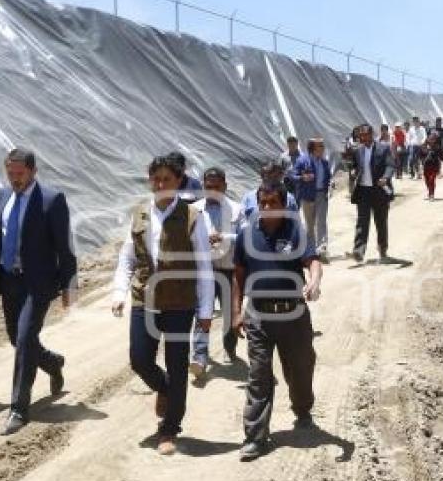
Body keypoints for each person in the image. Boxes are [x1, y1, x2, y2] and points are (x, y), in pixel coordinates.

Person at [111, 155, 213, 455]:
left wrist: (206, 313)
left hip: (180, 304)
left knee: (178, 365)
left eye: (166, 179)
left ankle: (170, 428)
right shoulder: (140, 215)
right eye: (155, 179)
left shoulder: (194, 217)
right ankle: (165, 388)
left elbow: (205, 267)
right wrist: (119, 293)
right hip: (146, 299)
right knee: (140, 359)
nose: (160, 185)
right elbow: (127, 258)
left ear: (178, 181)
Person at [232, 181, 323, 461]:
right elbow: (238, 275)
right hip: (259, 316)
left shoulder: (296, 232)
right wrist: (236, 311)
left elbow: (313, 261)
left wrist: (314, 281)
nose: (268, 208)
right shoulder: (246, 235)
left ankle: (303, 408)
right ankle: (255, 437)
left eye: (273, 203)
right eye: (263, 203)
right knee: (258, 375)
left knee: (300, 368)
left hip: (293, 314)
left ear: (284, 206)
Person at [0, 148, 77, 436]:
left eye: (20, 173)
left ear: (33, 171)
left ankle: (18, 408)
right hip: (10, 279)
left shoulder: (52, 200)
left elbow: (64, 247)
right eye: (10, 173)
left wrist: (69, 286)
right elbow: (1, 237)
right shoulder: (4, 196)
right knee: (17, 338)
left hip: (38, 283)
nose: (14, 179)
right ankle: (52, 363)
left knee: (26, 337)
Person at [189, 167, 243, 379]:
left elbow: (246, 236)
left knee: (230, 314)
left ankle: (230, 348)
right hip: (205, 271)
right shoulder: (194, 210)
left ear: (225, 187)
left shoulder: (237, 210)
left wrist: (225, 237)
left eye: (216, 187)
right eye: (207, 187)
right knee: (203, 312)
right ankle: (199, 357)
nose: (211, 191)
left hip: (230, 271)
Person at [347, 124, 395, 262]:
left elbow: (390, 165)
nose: (363, 138)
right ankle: (359, 251)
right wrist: (353, 171)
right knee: (362, 222)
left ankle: (382, 249)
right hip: (363, 191)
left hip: (379, 191)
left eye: (366, 135)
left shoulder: (383, 148)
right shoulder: (358, 150)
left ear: (371, 134)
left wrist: (385, 177)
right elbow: (355, 166)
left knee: (380, 222)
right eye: (361, 136)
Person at [292, 138, 332, 262]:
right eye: (320, 146)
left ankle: (322, 249)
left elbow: (328, 177)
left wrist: (331, 184)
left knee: (322, 221)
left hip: (321, 195)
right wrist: (303, 178)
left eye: (323, 145)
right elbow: (293, 176)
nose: (323, 148)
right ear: (313, 149)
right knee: (310, 224)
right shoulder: (302, 161)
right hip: (308, 196)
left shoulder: (324, 162)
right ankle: (311, 250)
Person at [420, 133, 443, 200]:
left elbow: (442, 156)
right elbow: (420, 155)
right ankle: (429, 191)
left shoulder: (437, 147)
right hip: (426, 166)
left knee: (432, 179)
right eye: (431, 139)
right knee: (427, 180)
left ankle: (432, 194)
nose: (432, 140)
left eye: (434, 139)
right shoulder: (424, 146)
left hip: (434, 166)